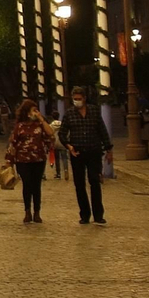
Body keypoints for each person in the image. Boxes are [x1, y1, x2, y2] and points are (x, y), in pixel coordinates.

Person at [57, 87, 113, 225]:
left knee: (94, 182)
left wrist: (108, 150)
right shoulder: (69, 114)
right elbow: (62, 134)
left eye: (79, 98)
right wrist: (69, 146)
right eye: (74, 99)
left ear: (84, 98)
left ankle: (98, 215)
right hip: (77, 153)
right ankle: (84, 214)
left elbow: (102, 130)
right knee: (79, 184)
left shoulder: (94, 111)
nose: (77, 101)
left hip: (94, 151)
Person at [6, 99, 57, 223]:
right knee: (27, 185)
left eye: (36, 110)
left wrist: (41, 119)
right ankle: (27, 211)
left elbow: (50, 133)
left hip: (38, 159)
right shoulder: (20, 126)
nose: (36, 112)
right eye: (33, 110)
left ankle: (37, 212)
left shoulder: (40, 125)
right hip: (23, 160)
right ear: (27, 112)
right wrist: (9, 160)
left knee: (36, 186)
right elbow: (13, 143)